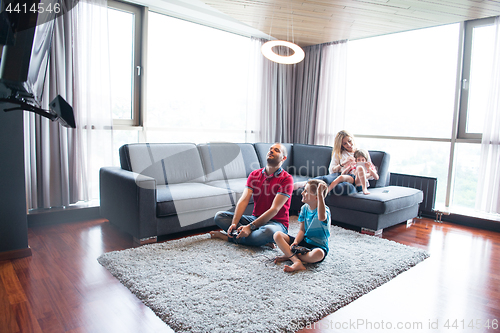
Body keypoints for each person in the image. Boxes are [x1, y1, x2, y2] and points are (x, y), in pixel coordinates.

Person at [210, 143, 294, 247]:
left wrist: (250, 227)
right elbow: (244, 200)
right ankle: (259, 240)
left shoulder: (287, 179)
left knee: (268, 231)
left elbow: (274, 209)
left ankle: (228, 237)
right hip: (255, 219)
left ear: (284, 158)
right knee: (220, 216)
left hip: (276, 224)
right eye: (270, 149)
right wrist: (234, 223)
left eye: (276, 150)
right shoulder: (254, 174)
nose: (271, 151)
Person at [273, 179, 331, 272]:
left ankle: (290, 255)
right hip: (303, 243)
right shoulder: (304, 208)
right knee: (277, 235)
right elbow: (302, 230)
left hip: (317, 247)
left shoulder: (324, 211)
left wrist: (320, 194)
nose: (302, 193)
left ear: (316, 197)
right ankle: (296, 260)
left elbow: (321, 217)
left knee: (318, 254)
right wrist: (295, 242)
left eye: (306, 191)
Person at [293, 130, 357, 195]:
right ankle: (307, 183)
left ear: (352, 138)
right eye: (344, 143)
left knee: (344, 187)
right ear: (341, 145)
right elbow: (331, 170)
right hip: (338, 174)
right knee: (326, 179)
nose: (349, 145)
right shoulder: (339, 153)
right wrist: (342, 164)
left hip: (353, 178)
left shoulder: (360, 153)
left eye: (349, 141)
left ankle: (322, 189)